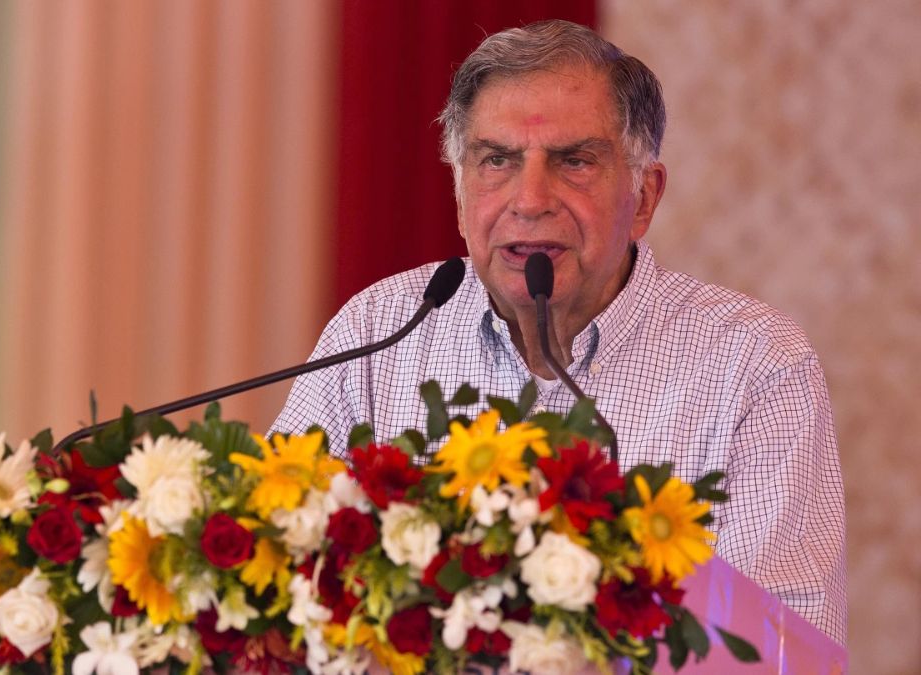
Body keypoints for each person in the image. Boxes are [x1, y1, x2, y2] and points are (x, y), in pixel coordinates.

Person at [272, 20, 846, 645]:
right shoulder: (377, 331)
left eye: (574, 162)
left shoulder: (756, 366)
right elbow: (268, 569)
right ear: (461, 196)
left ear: (644, 196)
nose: (531, 198)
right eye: (498, 161)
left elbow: (777, 649)